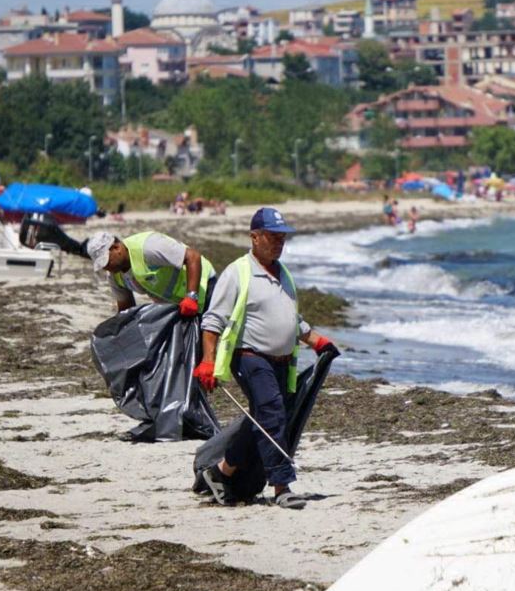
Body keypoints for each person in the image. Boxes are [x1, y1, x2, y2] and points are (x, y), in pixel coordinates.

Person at [192, 207, 336, 510]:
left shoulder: (283, 274)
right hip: (249, 357)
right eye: (272, 236)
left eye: (282, 238)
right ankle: (282, 486)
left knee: (264, 418)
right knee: (271, 413)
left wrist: (315, 339)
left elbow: (290, 319)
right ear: (254, 237)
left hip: (282, 361)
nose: (278, 243)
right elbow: (212, 321)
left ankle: (221, 472)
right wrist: (207, 361)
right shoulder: (237, 272)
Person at [87, 231, 217, 322]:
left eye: (107, 261)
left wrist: (191, 296)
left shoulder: (148, 247)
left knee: (215, 332)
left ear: (116, 248)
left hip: (203, 286)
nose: (106, 268)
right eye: (102, 265)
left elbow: (193, 257)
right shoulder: (114, 276)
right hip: (177, 304)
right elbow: (126, 309)